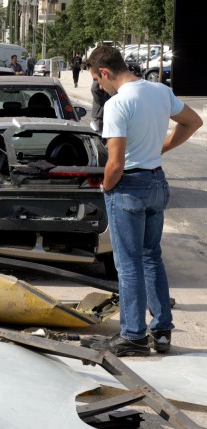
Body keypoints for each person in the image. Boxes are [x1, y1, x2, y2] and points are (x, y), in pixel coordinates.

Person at [85, 46, 202, 357]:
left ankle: (134, 335)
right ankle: (162, 331)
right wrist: (159, 148)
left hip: (130, 187)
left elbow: (116, 163)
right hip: (157, 182)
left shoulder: (117, 104)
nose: (98, 86)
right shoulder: (160, 91)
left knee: (128, 264)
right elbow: (193, 122)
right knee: (152, 257)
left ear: (105, 72)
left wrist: (106, 188)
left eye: (97, 79)